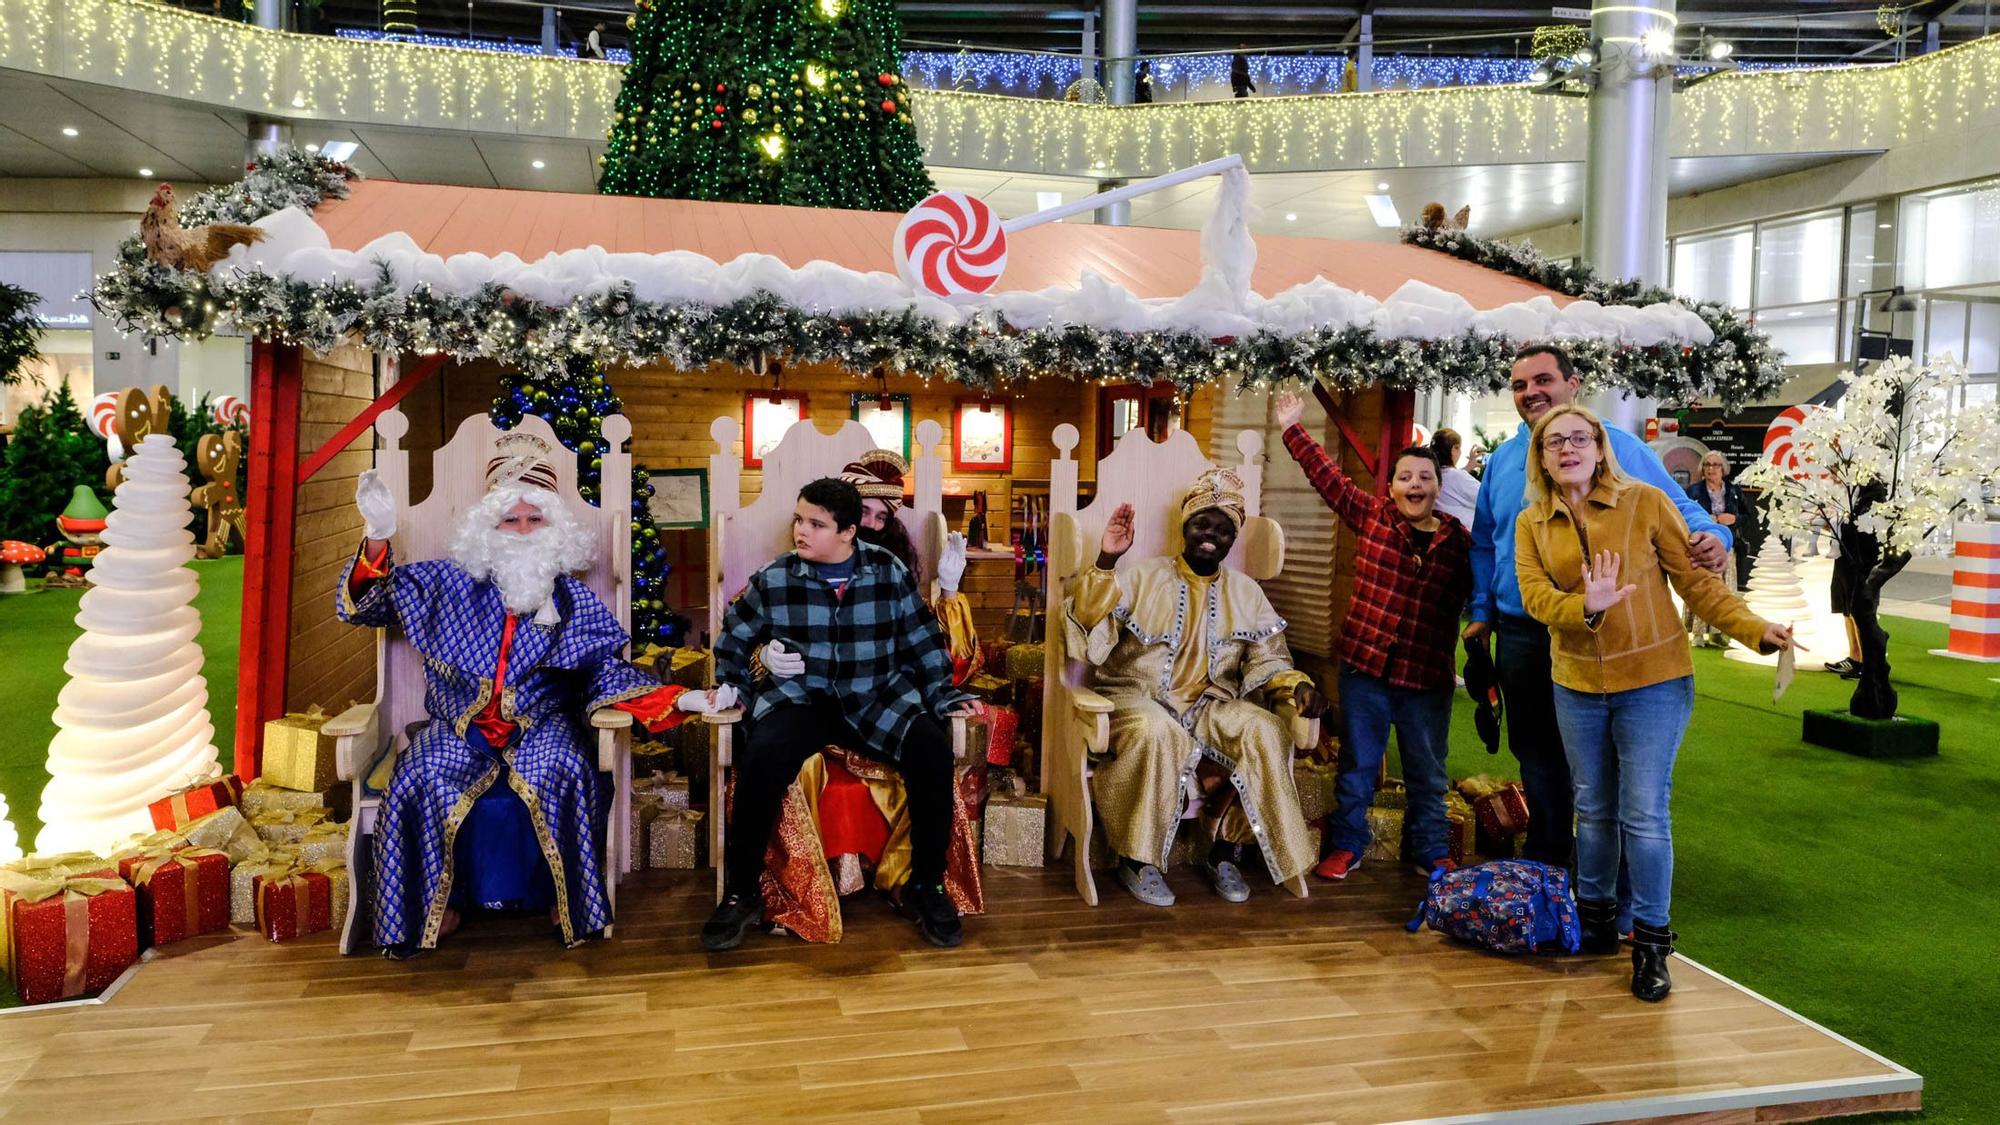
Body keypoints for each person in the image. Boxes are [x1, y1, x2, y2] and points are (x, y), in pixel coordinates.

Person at [338, 437, 730, 958]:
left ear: (554, 530)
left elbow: (604, 671)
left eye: (534, 521)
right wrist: (377, 539)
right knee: (419, 778)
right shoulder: (442, 584)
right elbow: (365, 608)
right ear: (487, 528)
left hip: (543, 726)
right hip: (457, 727)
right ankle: (433, 906)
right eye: (511, 521)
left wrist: (677, 701)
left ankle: (567, 901)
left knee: (564, 772)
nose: (522, 531)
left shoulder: (571, 597)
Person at [1514, 404, 1795, 1001]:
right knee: (1591, 808)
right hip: (1577, 685)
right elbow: (1537, 599)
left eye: (1579, 439)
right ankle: (1593, 921)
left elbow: (1696, 582)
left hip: (1654, 681)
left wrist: (1752, 628)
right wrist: (1586, 605)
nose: (1567, 449)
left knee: (1643, 813)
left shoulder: (1644, 501)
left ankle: (1649, 943)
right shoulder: (1531, 522)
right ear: (1540, 456)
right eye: (1553, 441)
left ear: (1599, 447)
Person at [1464, 343, 1732, 870]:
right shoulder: (1500, 461)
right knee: (1535, 753)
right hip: (1521, 632)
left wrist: (1709, 537)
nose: (1530, 393)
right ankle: (1548, 861)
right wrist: (1481, 610)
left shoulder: (1618, 447)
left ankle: (1609, 877)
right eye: (1519, 386)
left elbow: (1681, 509)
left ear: (1574, 384)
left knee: (1600, 762)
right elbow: (1483, 543)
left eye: (1542, 380)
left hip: (1600, 636)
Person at [704, 477, 980, 951]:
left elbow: (923, 642)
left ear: (849, 531)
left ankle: (927, 886)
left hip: (876, 696)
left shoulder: (887, 571)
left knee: (932, 750)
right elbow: (731, 640)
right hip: (802, 698)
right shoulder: (776, 578)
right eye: (798, 520)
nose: (801, 532)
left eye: (816, 524)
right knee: (762, 758)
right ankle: (742, 892)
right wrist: (738, 685)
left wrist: (942, 696)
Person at [1064, 469, 1327, 906]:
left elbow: (1270, 658)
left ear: (1232, 540)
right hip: (1136, 696)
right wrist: (1107, 560)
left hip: (1212, 705)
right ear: (1185, 527)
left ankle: (1225, 849)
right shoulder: (1142, 577)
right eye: (1203, 523)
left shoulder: (1245, 592)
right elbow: (1087, 624)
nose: (1211, 535)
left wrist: (1296, 686)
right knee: (1158, 731)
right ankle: (1137, 860)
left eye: (1224, 530)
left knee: (1265, 730)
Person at [1274, 392, 1471, 881]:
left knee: (1427, 771)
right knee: (1359, 766)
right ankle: (1347, 846)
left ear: (1438, 487)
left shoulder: (1459, 542)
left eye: (1425, 477)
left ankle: (1430, 849)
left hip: (1426, 675)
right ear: (1391, 486)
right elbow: (1328, 480)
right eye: (1405, 477)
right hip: (1367, 668)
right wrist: (1292, 428)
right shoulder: (1372, 516)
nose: (1415, 484)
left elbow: (1485, 587)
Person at [1682, 449, 1751, 644]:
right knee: (1702, 586)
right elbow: (1684, 515)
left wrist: (1733, 519)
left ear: (1724, 469)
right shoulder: (1693, 491)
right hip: (1701, 546)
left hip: (1728, 547)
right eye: (1707, 464)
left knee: (1724, 590)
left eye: (1716, 465)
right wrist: (1707, 520)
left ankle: (1719, 632)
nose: (1711, 469)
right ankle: (1697, 632)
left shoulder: (1734, 491)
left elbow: (1747, 516)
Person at [1432, 427, 1480, 528]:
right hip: (1467, 535)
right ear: (1454, 449)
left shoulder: (1432, 475)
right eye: (1459, 448)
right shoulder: (1458, 476)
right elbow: (1486, 497)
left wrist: (1467, 468)